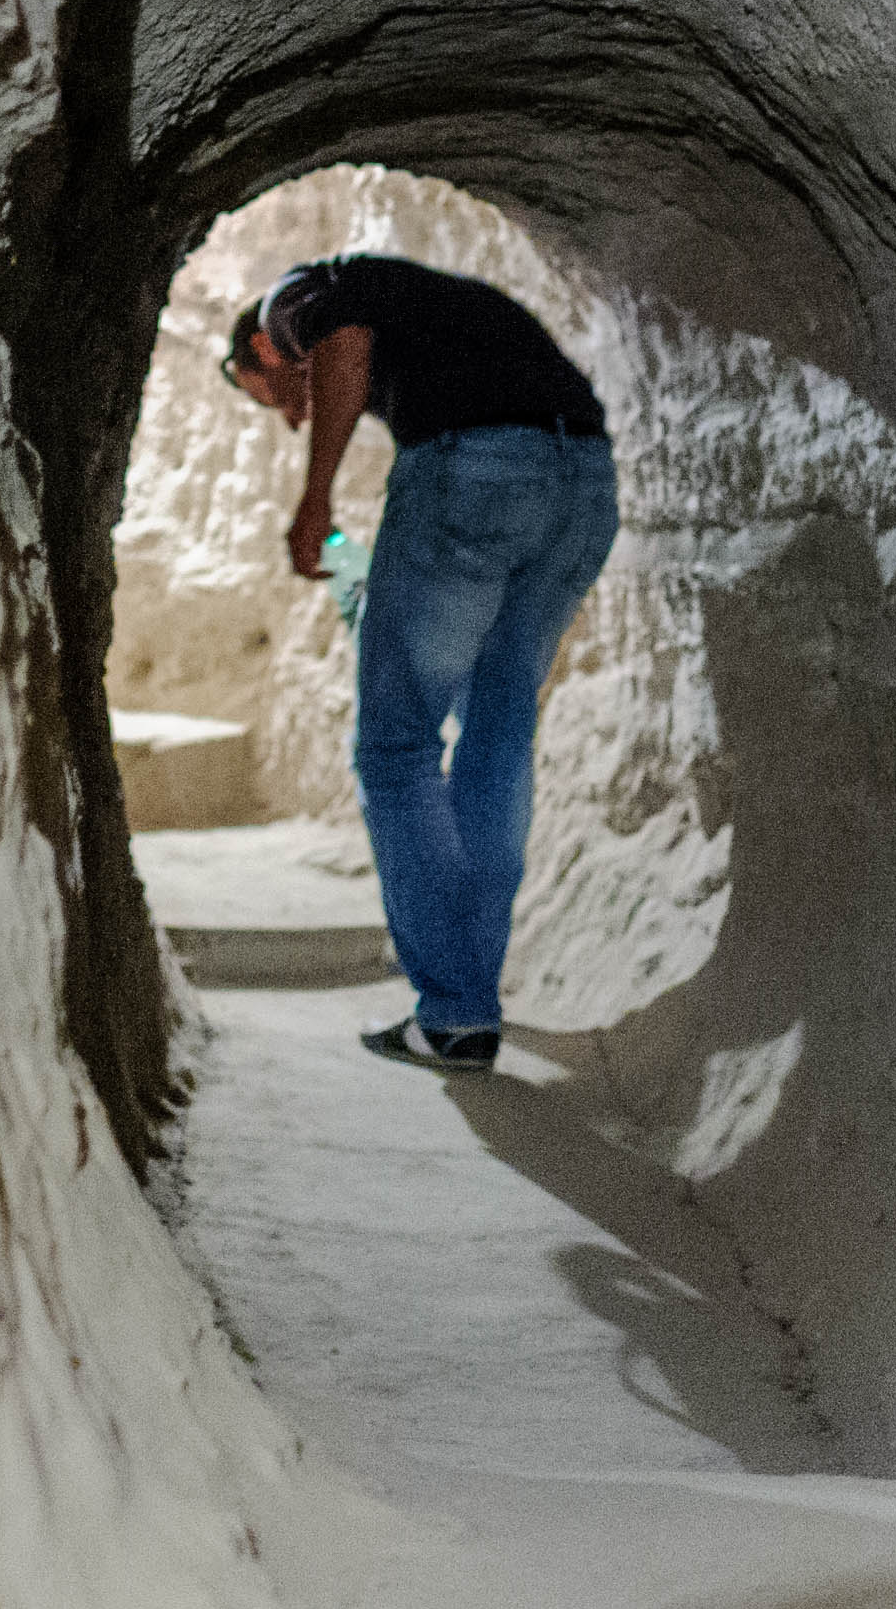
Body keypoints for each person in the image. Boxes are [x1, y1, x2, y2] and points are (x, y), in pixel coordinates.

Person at [223, 253, 618, 1074]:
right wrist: (349, 561)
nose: (289, 417)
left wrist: (315, 498)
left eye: (271, 395)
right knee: (497, 734)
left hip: (477, 470)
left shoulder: (292, 301)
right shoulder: (427, 316)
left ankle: (455, 1011)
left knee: (396, 748)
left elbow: (344, 340)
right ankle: (463, 1003)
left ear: (261, 351)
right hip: (582, 482)